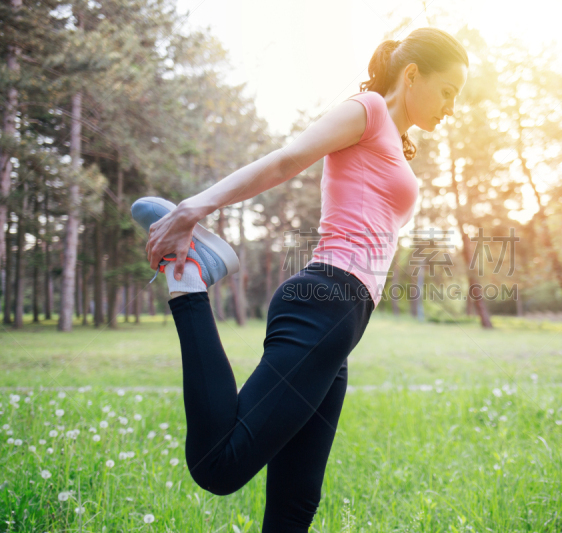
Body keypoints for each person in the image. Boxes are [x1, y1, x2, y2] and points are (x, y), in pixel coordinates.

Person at [131, 27, 468, 532]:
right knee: (219, 466)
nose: (451, 106)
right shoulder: (367, 110)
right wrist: (194, 207)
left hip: (341, 322)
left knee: (297, 498)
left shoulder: (397, 141)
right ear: (413, 74)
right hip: (325, 300)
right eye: (448, 91)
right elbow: (287, 159)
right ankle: (187, 276)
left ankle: (191, 270)